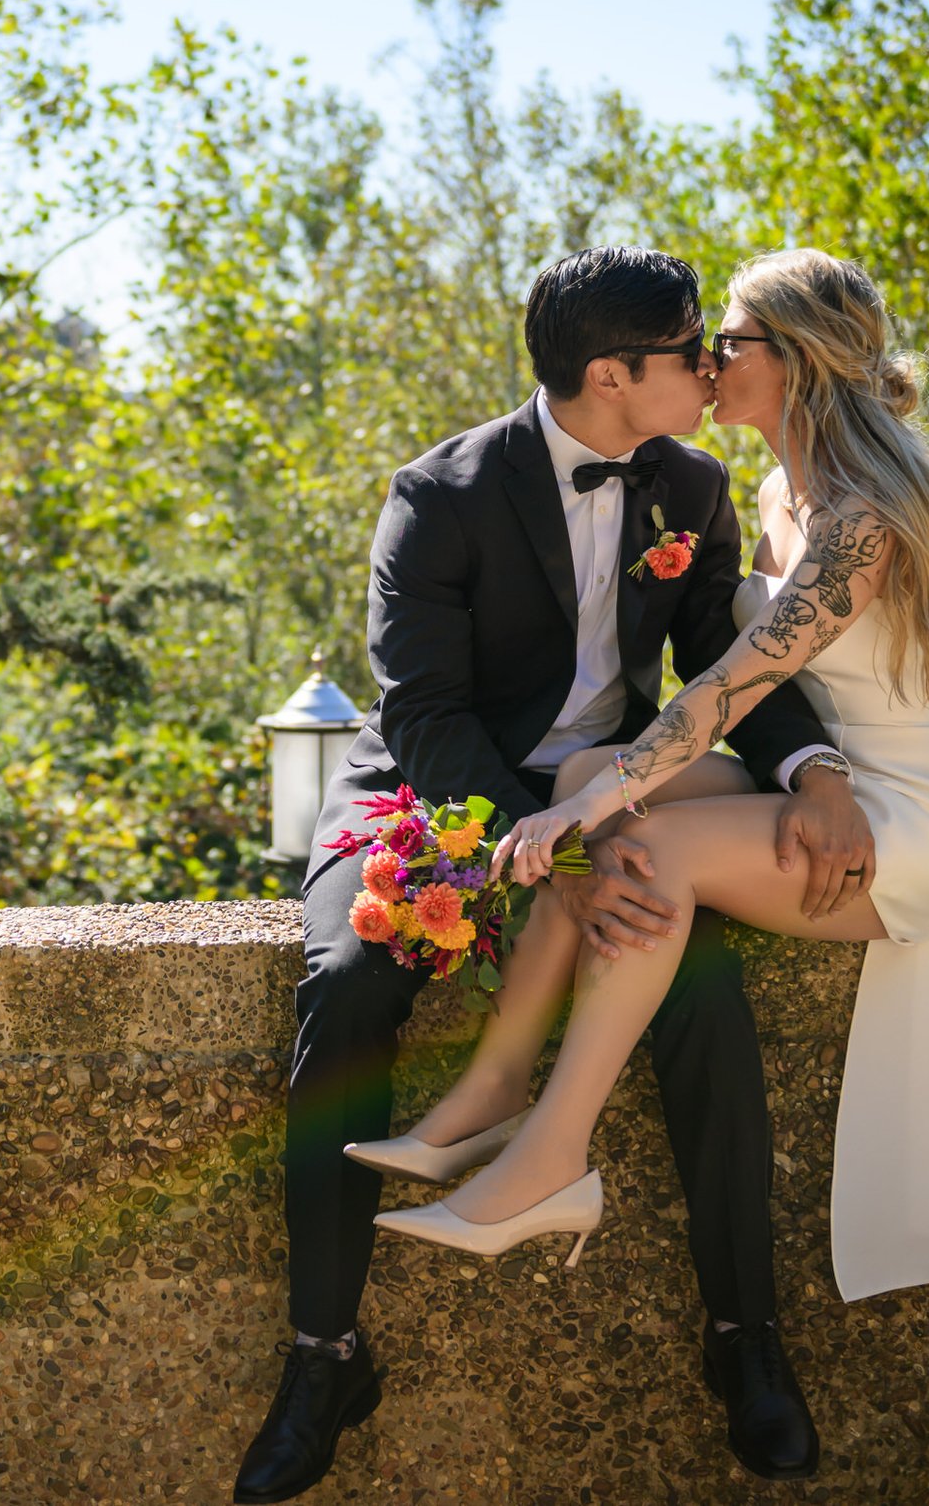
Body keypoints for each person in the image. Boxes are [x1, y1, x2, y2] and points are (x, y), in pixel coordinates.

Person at [372, 247, 929, 1375]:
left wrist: (557, 832)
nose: (707, 361)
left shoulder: (865, 516)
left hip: (917, 816)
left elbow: (724, 693)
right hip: (846, 776)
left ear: (794, 360)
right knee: (588, 787)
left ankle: (551, 1160)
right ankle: (489, 1085)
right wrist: (600, 804)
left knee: (644, 840)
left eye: (725, 342)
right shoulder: (771, 490)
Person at [233, 247, 866, 1504]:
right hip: (436, 784)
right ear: (609, 374)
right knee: (347, 980)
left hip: (614, 786)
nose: (709, 365)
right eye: (690, 349)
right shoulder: (438, 493)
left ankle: (747, 1337)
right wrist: (547, 842)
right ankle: (323, 1353)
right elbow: (422, 712)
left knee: (698, 986)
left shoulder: (688, 483)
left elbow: (725, 672)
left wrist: (809, 771)